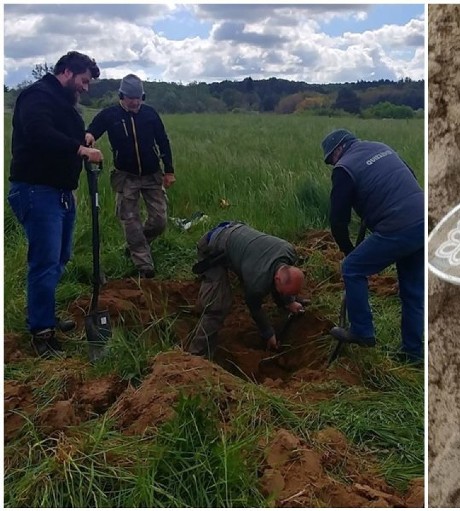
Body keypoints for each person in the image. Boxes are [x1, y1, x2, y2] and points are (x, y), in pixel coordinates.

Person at [7, 51, 103, 358]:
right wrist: (79, 149)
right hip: (37, 190)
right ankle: (41, 333)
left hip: (60, 191)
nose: (85, 88)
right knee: (45, 261)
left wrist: (83, 139)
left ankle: (43, 316)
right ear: (66, 72)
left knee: (60, 257)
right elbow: (39, 133)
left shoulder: (63, 103)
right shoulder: (36, 97)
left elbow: (62, 132)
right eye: (83, 81)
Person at [321, 129, 425, 364]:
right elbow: (408, 175)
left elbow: (338, 221)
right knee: (413, 293)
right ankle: (413, 353)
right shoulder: (381, 147)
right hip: (423, 221)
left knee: (352, 268)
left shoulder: (344, 168)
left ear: (339, 149)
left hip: (398, 225)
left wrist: (349, 251)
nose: (332, 164)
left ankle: (362, 331)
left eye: (331, 159)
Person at [85, 74, 175, 278]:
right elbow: (93, 131)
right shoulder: (110, 115)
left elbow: (163, 142)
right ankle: (144, 265)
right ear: (121, 96)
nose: (135, 102)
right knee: (130, 219)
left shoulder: (150, 114)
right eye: (130, 98)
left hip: (152, 175)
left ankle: (136, 244)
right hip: (126, 177)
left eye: (139, 98)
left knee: (160, 220)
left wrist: (169, 170)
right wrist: (89, 136)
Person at [187, 221, 307, 357]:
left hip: (237, 231)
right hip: (213, 247)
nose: (285, 294)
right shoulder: (257, 283)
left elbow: (276, 279)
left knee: (258, 282)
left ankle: (207, 295)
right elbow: (254, 306)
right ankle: (196, 356)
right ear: (277, 279)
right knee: (217, 307)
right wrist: (268, 333)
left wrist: (289, 302)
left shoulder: (288, 251)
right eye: (285, 293)